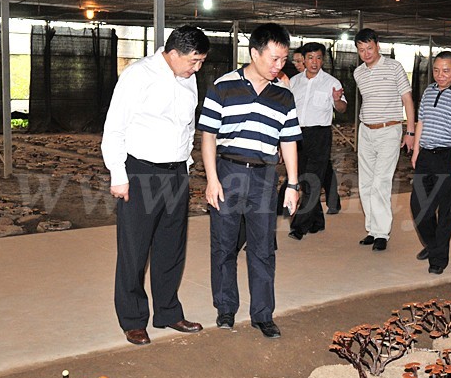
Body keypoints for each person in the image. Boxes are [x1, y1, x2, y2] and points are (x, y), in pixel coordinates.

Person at [100, 26, 210, 345]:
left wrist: (185, 165)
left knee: (171, 247)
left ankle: (168, 312)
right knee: (135, 251)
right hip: (141, 173)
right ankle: (133, 319)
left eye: (201, 62)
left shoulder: (188, 79)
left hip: (176, 173)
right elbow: (115, 127)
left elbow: (188, 126)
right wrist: (118, 175)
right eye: (193, 61)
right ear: (173, 53)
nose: (197, 68)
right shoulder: (138, 75)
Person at [198, 23, 301, 339]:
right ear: (254, 53)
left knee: (263, 247)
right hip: (227, 172)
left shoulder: (284, 95)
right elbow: (208, 136)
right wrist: (212, 179)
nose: (279, 65)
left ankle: (263, 314)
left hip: (264, 176)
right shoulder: (223, 86)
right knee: (224, 245)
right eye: (273, 58)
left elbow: (289, 140)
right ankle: (225, 308)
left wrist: (293, 184)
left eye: (283, 59)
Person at [410, 51, 451, 274]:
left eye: (446, 71)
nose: (440, 75)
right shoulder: (429, 91)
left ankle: (438, 259)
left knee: (446, 211)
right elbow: (421, 121)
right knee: (418, 206)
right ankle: (433, 244)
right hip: (426, 156)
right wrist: (416, 150)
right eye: (436, 70)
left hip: (450, 156)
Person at [353, 28, 415, 251]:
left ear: (378, 45)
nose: (366, 53)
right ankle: (372, 229)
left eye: (369, 48)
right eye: (361, 50)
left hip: (389, 130)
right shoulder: (358, 73)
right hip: (366, 130)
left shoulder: (394, 67)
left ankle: (381, 233)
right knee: (366, 182)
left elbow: (407, 99)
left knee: (380, 182)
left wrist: (410, 132)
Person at [288, 42, 347, 240]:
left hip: (320, 135)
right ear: (303, 60)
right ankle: (317, 221)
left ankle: (299, 226)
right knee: (304, 180)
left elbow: (342, 108)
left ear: (323, 60)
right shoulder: (294, 82)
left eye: (319, 58)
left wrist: (337, 99)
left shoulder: (331, 82)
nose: (315, 62)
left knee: (313, 180)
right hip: (297, 135)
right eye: (310, 58)